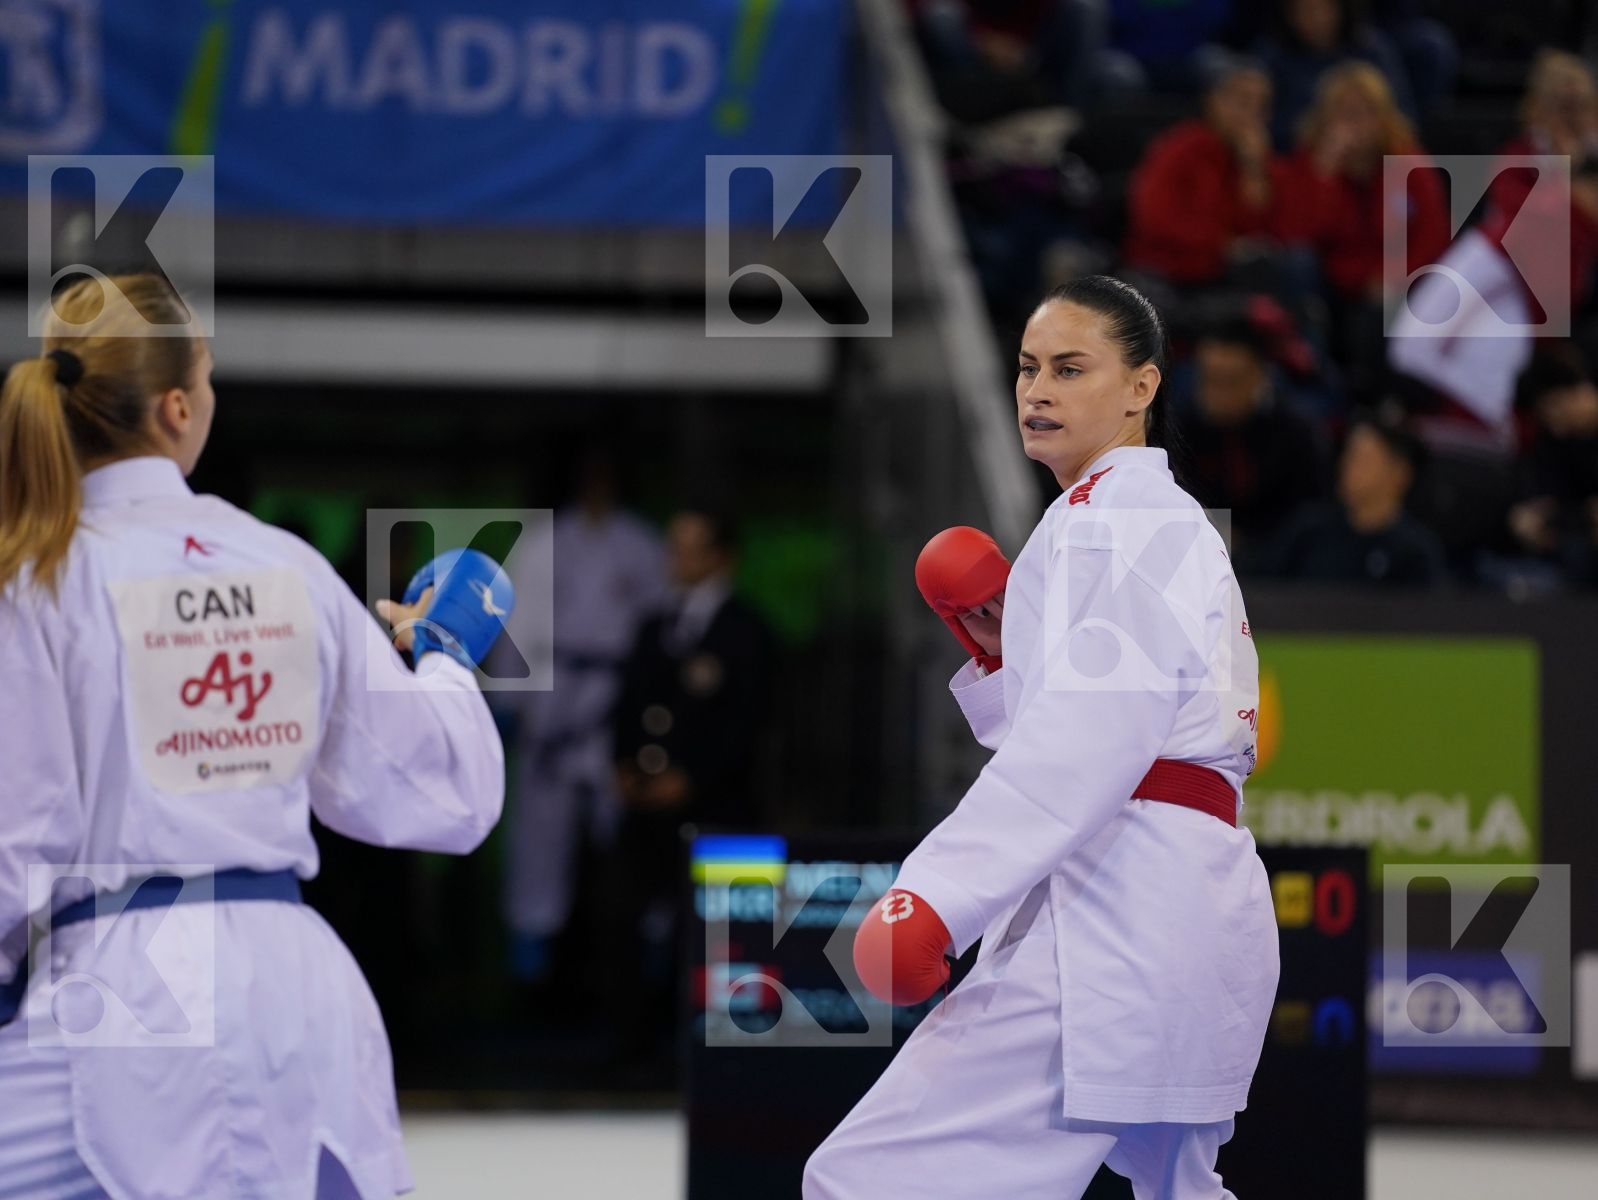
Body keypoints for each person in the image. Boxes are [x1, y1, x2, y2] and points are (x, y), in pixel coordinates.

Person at [0, 274, 512, 1200]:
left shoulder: (34, 576)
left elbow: (15, 834)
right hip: (294, 983)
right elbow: (445, 795)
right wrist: (444, 653)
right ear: (179, 407)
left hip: (119, 990)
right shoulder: (285, 563)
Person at [805, 276, 1278, 1198]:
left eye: (1070, 368)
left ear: (1142, 388)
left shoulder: (1112, 521)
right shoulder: (1147, 522)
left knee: (865, 1181)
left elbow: (1087, 745)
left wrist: (937, 895)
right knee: (1176, 1190)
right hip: (1184, 906)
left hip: (1114, 917)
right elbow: (1135, 727)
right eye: (1027, 369)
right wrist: (1004, 667)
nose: (1037, 391)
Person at [602, 508, 774, 1067]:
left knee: (708, 938)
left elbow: (748, 723)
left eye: (690, 548)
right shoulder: (653, 625)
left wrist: (693, 780)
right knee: (626, 921)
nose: (677, 560)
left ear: (721, 556)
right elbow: (626, 705)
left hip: (715, 810)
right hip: (645, 808)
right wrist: (625, 766)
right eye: (673, 547)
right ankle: (630, 1049)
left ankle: (703, 1057)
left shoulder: (746, 630)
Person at [489, 451, 667, 988]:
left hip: (617, 693)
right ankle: (533, 943)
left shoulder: (640, 543)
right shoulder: (546, 541)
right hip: (554, 693)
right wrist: (509, 704)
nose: (598, 485)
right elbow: (515, 624)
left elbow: (659, 623)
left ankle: (645, 939)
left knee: (626, 824)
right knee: (542, 827)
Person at [1275, 61, 1448, 397]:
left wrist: (1394, 277)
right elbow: (1292, 234)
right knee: (1297, 264)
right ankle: (1311, 369)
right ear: (1325, 119)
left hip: (1391, 289)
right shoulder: (1309, 164)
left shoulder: (1409, 164)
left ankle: (1376, 396)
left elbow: (1433, 236)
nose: (1356, 124)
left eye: (1366, 112)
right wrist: (1324, 174)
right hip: (1331, 285)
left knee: (1380, 311)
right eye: (1345, 113)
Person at [1178, 317, 1328, 572]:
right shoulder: (1179, 430)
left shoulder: (1294, 435)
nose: (1218, 393)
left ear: (1259, 376)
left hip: (1278, 566)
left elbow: (1308, 515)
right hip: (1198, 559)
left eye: (1231, 381)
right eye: (1210, 379)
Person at [1123, 58, 1287, 287]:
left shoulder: (1260, 160)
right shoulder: (1181, 147)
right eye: (1243, 102)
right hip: (1167, 269)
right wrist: (1221, 245)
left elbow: (1269, 229)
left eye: (1262, 106)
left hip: (1225, 272)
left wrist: (1254, 170)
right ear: (1214, 102)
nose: (1251, 114)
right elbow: (1153, 216)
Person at [1268, 412, 1447, 586]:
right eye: (1348, 454)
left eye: (1363, 459)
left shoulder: (1415, 553)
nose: (1347, 466)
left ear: (1400, 473)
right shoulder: (1309, 532)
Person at [1508, 355, 1598, 584]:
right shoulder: (1553, 444)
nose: (1553, 422)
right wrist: (1527, 518)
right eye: (1544, 415)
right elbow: (1543, 500)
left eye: (1555, 406)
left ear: (1581, 390)